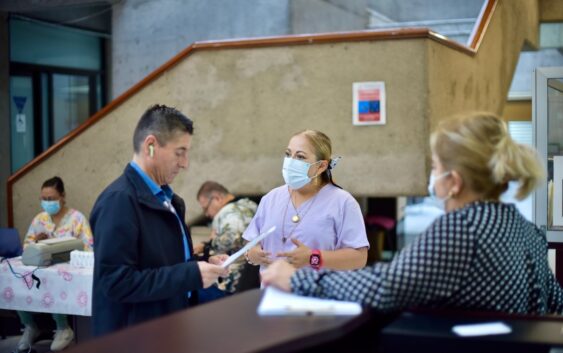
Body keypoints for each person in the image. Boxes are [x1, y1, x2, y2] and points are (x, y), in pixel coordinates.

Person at [262, 112, 563, 315]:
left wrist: (299, 280)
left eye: (435, 167)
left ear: (454, 182)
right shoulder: (526, 230)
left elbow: (389, 285)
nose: (431, 176)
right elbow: (554, 300)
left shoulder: (462, 228)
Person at [90, 104, 228, 337]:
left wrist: (202, 263)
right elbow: (116, 282)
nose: (185, 163)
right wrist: (191, 274)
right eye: (179, 152)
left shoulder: (168, 199)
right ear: (151, 146)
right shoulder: (119, 201)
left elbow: (161, 260)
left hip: (169, 327)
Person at [243, 130, 369, 275]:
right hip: (273, 293)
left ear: (321, 166)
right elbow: (251, 241)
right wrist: (252, 254)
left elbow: (359, 258)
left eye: (300, 156)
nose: (290, 161)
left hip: (317, 295)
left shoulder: (343, 202)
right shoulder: (271, 198)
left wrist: (313, 258)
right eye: (288, 154)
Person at [18, 176, 93, 352]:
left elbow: (89, 247)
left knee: (55, 281)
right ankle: (30, 326)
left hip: (68, 273)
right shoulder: (39, 220)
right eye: (43, 199)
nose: (47, 202)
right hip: (42, 269)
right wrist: (36, 242)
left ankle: (62, 328)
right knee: (18, 278)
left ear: (62, 196)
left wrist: (68, 247)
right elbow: (26, 248)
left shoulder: (77, 218)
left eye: (51, 199)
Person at [195, 181, 258, 294]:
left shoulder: (229, 212)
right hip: (252, 276)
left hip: (235, 283)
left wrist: (208, 244)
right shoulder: (248, 205)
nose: (206, 214)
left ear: (217, 198)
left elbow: (233, 237)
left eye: (206, 208)